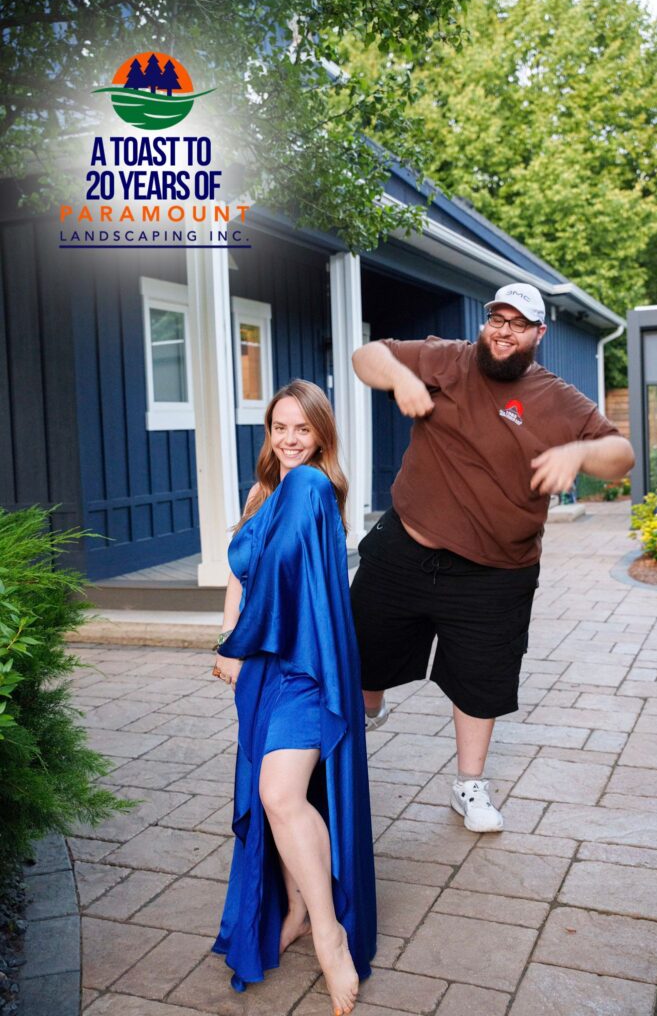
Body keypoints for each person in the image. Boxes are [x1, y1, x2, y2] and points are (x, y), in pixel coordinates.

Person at [350, 283, 634, 833]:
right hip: (405, 547)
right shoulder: (448, 359)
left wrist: (579, 452)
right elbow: (368, 356)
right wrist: (402, 378)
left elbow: (620, 455)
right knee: (359, 652)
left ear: (538, 334)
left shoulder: (557, 399)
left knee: (481, 682)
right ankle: (366, 711)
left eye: (518, 324)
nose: (504, 332)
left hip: (495, 571)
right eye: (497, 320)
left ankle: (470, 785)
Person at [211, 379, 376, 1015]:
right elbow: (240, 573)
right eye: (279, 427)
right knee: (283, 799)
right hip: (261, 670)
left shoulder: (311, 487)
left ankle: (330, 934)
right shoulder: (263, 493)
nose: (289, 439)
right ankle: (299, 910)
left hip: (306, 666)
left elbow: (282, 575)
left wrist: (239, 642)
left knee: (279, 794)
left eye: (302, 429)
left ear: (321, 435)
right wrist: (229, 639)